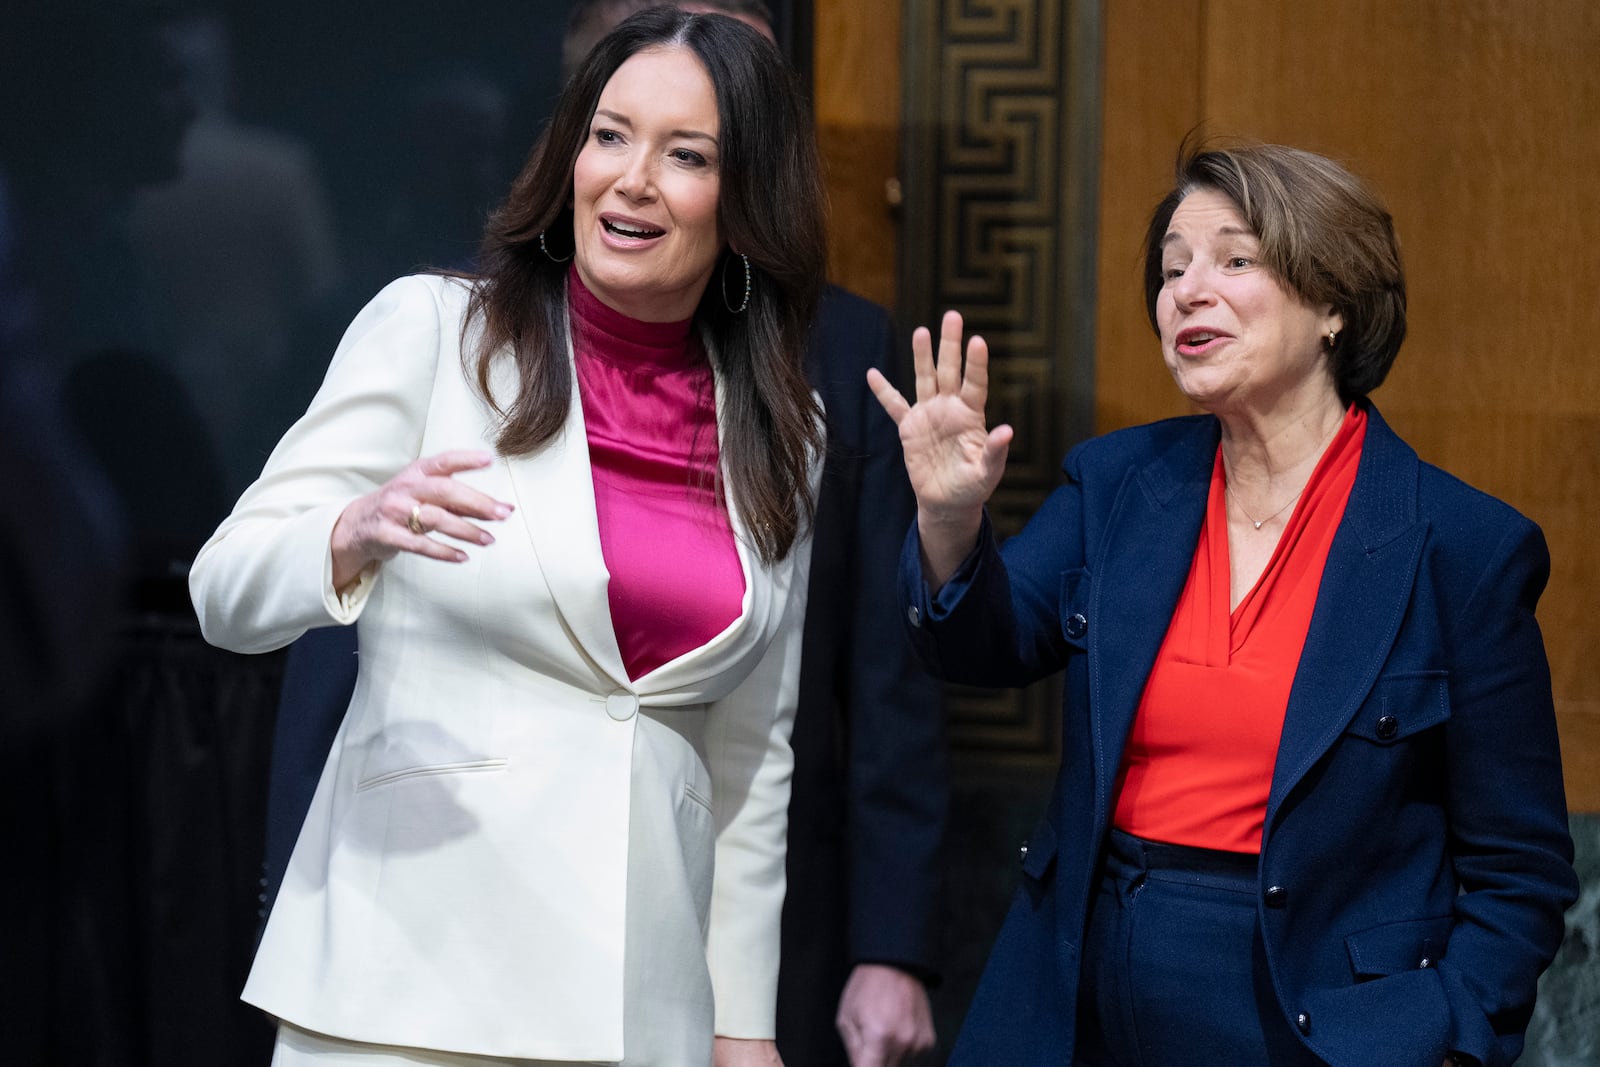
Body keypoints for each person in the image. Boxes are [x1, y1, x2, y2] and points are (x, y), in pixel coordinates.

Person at [263, 3, 947, 1066]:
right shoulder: (431, 329)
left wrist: (742, 1025)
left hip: (635, 1001)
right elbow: (228, 588)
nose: (633, 177)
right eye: (611, 135)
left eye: (686, 154)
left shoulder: (787, 420)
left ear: (746, 192)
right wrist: (346, 534)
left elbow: (754, 755)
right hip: (407, 977)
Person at [868, 140, 1578, 1067]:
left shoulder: (1461, 547)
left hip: (1324, 1023)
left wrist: (1444, 1041)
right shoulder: (1119, 483)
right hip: (1086, 996)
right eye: (1171, 268)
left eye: (1234, 259)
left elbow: (1519, 872)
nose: (1187, 292)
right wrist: (952, 521)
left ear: (1333, 302)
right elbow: (979, 645)